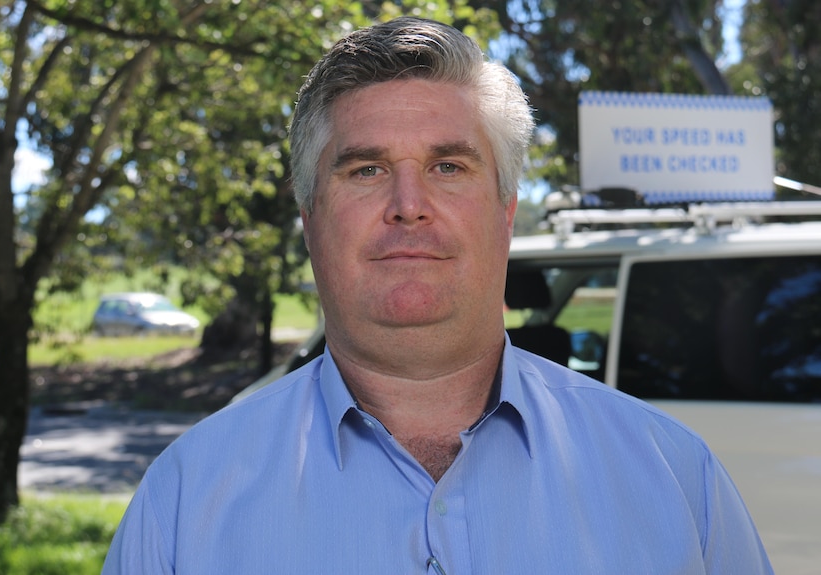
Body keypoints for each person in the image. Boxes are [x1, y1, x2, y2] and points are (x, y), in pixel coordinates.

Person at [102, 17, 772, 574]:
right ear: (310, 217)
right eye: (366, 169)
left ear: (506, 210)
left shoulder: (680, 483)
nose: (408, 205)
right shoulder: (184, 503)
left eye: (448, 166)